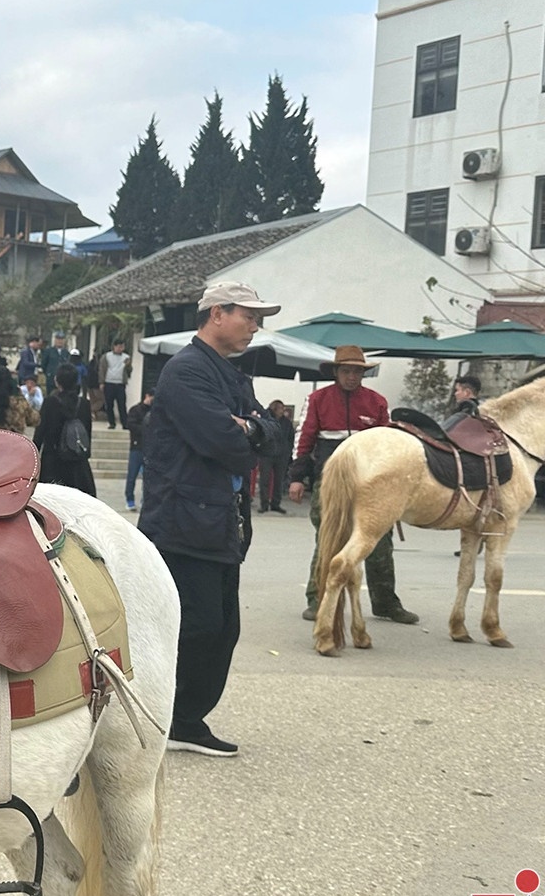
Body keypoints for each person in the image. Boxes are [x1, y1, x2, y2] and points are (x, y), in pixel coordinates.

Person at [138, 281, 281, 758]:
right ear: (217, 313)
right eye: (249, 316)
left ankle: (183, 718)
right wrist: (246, 431)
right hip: (183, 523)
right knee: (195, 627)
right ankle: (167, 716)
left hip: (220, 523)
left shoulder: (234, 376)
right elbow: (225, 443)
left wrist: (253, 427)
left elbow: (275, 435)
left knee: (223, 628)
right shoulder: (186, 371)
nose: (255, 326)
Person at [289, 346, 419, 626]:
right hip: (331, 480)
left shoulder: (377, 402)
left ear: (364, 373)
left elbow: (390, 444)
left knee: (380, 541)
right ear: (336, 372)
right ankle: (317, 599)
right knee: (328, 537)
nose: (351, 376)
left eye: (357, 371)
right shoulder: (317, 400)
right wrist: (297, 478)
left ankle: (385, 602)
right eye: (346, 371)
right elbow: (304, 440)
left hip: (373, 482)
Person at [33, 363, 95, 495]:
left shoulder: (50, 402)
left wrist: (33, 455)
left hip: (53, 461)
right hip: (77, 462)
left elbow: (40, 431)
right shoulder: (84, 404)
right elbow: (87, 432)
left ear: (57, 381)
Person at [257, 400, 294, 514]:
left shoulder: (286, 422)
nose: (283, 411)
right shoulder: (266, 420)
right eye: (281, 408)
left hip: (281, 455)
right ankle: (264, 504)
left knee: (279, 481)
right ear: (274, 409)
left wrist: (288, 452)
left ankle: (276, 503)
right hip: (266, 454)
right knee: (264, 480)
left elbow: (291, 437)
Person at [123, 389, 153, 511]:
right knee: (132, 475)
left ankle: (145, 500)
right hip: (136, 447)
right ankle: (129, 499)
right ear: (147, 396)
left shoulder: (155, 411)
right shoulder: (135, 410)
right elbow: (131, 425)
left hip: (149, 448)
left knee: (148, 477)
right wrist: (145, 429)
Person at [99, 342, 130, 429]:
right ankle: (112, 423)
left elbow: (129, 371)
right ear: (114, 347)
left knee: (122, 404)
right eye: (119, 347)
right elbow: (102, 369)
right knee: (109, 404)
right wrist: (101, 382)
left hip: (120, 383)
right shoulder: (107, 356)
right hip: (109, 382)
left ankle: (124, 423)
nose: (120, 348)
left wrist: (128, 366)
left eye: (122, 347)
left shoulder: (126, 357)